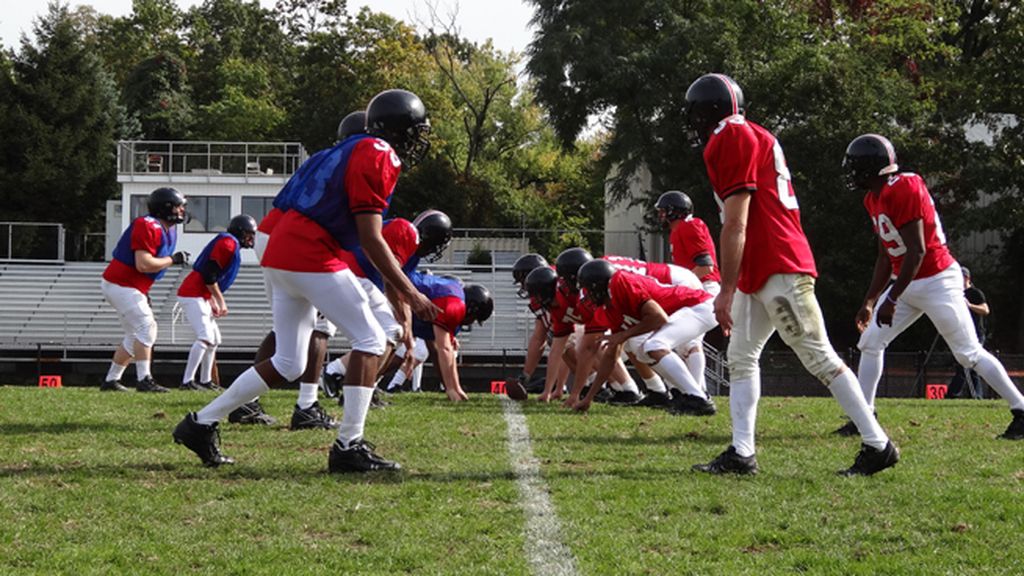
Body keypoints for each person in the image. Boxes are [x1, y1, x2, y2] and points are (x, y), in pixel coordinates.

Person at [173, 89, 439, 472]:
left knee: (288, 361)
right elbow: (370, 235)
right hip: (309, 251)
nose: (416, 141)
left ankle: (199, 423)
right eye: (414, 131)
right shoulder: (379, 152)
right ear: (400, 128)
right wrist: (411, 293)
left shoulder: (334, 152)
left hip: (281, 250)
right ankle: (349, 446)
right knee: (372, 339)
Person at [684, 73, 897, 476]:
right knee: (741, 358)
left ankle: (877, 443)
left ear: (709, 111)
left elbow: (736, 223)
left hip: (776, 265)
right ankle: (742, 452)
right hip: (761, 266)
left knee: (818, 357)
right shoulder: (752, 133)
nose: (693, 123)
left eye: (695, 114)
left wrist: (725, 290)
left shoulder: (730, 137)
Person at [843, 133, 1024, 439]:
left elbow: (917, 251)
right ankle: (864, 415)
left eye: (855, 165)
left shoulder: (905, 186)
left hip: (937, 279)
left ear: (870, 167)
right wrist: (871, 299)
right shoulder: (872, 198)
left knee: (968, 353)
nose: (850, 172)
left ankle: (1021, 409)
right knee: (871, 343)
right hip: (907, 281)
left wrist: (891, 299)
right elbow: (886, 256)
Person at [572, 259, 718, 414]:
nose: (588, 296)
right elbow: (610, 358)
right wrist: (588, 398)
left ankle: (698, 398)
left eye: (588, 290)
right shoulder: (611, 308)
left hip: (699, 305)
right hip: (688, 310)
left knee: (655, 345)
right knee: (642, 352)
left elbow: (658, 317)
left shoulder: (620, 282)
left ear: (598, 285)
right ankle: (688, 394)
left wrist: (624, 335)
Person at [100, 187, 190, 393]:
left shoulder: (167, 228)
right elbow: (143, 264)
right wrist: (172, 259)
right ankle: (144, 379)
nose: (182, 211)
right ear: (165, 207)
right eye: (178, 206)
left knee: (134, 334)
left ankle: (111, 380)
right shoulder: (147, 225)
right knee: (146, 327)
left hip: (129, 285)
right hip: (121, 283)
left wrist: (144, 292)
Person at [176, 214, 256, 391]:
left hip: (200, 294)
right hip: (192, 293)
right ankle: (187, 381)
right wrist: (220, 300)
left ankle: (205, 381)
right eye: (249, 234)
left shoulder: (231, 243)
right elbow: (209, 275)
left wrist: (211, 299)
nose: (251, 239)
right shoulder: (228, 243)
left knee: (215, 340)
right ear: (241, 232)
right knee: (205, 337)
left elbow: (211, 276)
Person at [406, 272, 494, 401]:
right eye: (474, 319)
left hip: (399, 293)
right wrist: (450, 389)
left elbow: (448, 353)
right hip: (393, 292)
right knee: (387, 339)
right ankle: (369, 387)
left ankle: (371, 387)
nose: (471, 323)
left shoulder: (454, 295)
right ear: (471, 309)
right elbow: (444, 349)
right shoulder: (454, 304)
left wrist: (456, 387)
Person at [656, 190, 722, 295]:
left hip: (703, 287)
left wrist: (679, 284)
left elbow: (706, 267)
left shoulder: (689, 225)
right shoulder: (676, 231)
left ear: (674, 211)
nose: (660, 215)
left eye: (663, 211)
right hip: (694, 286)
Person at [946, 267, 988, 399]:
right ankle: (977, 396)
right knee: (970, 366)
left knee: (965, 364)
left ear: (966, 278)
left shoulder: (975, 293)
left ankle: (953, 394)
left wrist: (969, 306)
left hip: (976, 334)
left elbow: (985, 310)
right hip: (960, 332)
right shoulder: (956, 294)